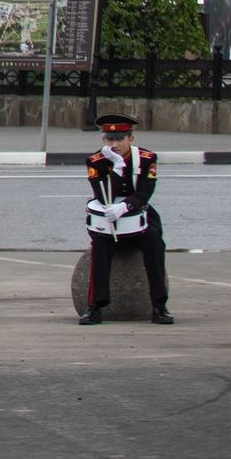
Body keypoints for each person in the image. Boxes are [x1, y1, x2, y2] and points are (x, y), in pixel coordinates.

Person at [80, 114, 172, 325]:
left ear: (131, 138)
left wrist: (125, 206)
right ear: (103, 140)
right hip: (109, 218)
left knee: (155, 243)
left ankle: (159, 306)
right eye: (110, 139)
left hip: (138, 215)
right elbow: (102, 195)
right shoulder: (96, 161)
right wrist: (117, 167)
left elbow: (145, 192)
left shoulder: (147, 158)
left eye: (120, 139)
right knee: (99, 247)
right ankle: (95, 307)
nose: (115, 144)